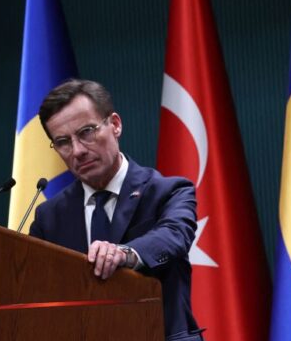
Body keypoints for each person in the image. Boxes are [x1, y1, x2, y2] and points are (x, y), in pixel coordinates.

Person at [29, 79, 204, 341]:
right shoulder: (49, 217)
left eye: (86, 131)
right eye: (63, 142)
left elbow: (174, 235)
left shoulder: (169, 191)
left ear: (115, 125)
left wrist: (124, 254)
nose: (77, 151)